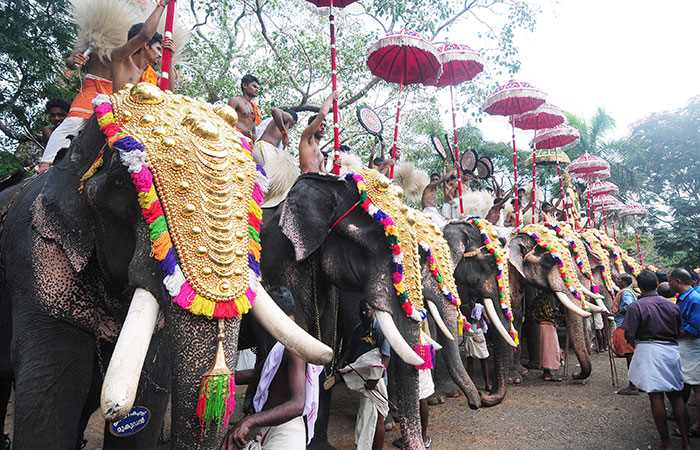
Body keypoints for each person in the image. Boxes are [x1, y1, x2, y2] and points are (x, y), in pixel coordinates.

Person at [221, 287, 322, 449]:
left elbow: (298, 404)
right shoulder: (280, 345)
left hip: (287, 432)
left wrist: (250, 420)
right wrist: (220, 378)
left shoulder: (294, 349)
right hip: (271, 429)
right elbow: (256, 374)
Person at [622, 269, 691, 450]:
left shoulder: (636, 306)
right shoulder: (672, 306)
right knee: (676, 396)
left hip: (649, 350)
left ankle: (666, 443)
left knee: (656, 397)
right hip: (671, 350)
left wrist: (633, 339)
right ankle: (686, 442)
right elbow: (678, 330)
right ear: (657, 284)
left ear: (639, 286)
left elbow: (629, 333)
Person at [337, 299, 391, 450]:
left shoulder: (381, 329)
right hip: (363, 380)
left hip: (377, 381)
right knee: (366, 415)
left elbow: (385, 357)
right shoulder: (358, 329)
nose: (363, 313)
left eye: (367, 310)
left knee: (379, 416)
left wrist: (375, 379)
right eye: (361, 310)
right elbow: (350, 349)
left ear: (374, 310)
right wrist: (341, 363)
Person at [110, 2, 175, 91]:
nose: (160, 55)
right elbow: (145, 35)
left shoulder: (154, 76)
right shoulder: (120, 59)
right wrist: (162, 3)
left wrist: (169, 59)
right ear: (146, 45)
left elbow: (169, 93)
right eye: (158, 49)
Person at [668, 269, 700, 438]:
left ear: (678, 281)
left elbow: (695, 328)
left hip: (692, 345)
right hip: (685, 346)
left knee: (697, 386)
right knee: (687, 382)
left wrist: (673, 332)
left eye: (670, 281)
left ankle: (697, 426)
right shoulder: (685, 298)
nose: (668, 284)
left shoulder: (695, 299)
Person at [611, 273, 639, 395]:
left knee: (629, 355)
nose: (616, 280)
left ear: (624, 282)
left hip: (624, 325)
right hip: (625, 324)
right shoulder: (628, 291)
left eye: (618, 279)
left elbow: (628, 307)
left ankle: (633, 386)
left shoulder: (626, 292)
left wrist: (616, 314)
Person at [299, 91, 338, 173]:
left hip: (317, 182)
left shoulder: (320, 155)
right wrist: (330, 98)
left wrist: (335, 168)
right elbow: (322, 114)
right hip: (307, 180)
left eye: (324, 126)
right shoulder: (307, 137)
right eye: (320, 125)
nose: (323, 128)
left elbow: (325, 176)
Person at [531, 290, 562, 382]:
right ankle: (548, 374)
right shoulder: (546, 298)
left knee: (544, 349)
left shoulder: (537, 298)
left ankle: (546, 372)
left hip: (540, 325)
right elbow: (548, 314)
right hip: (548, 325)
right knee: (551, 350)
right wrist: (556, 313)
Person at [465, 303, 491, 391]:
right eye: (471, 299)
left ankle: (486, 384)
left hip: (476, 333)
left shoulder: (478, 308)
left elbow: (487, 320)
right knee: (471, 359)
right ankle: (471, 385)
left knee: (482, 359)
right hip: (470, 333)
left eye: (473, 299)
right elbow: (488, 320)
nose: (472, 301)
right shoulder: (467, 308)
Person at [228, 74, 262, 143]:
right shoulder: (235, 101)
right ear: (244, 85)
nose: (257, 90)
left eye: (257, 88)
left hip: (250, 141)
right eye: (254, 86)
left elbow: (254, 130)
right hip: (236, 137)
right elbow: (226, 121)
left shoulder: (254, 107)